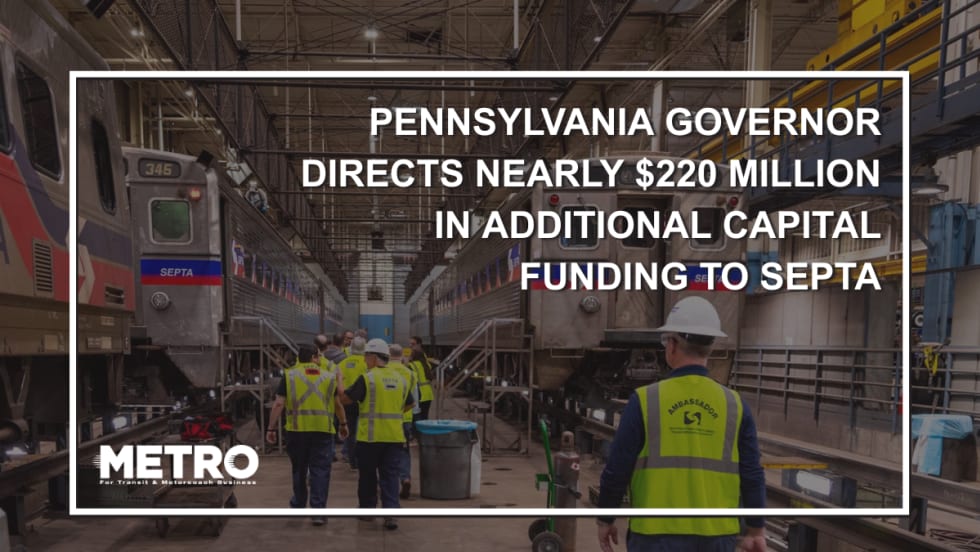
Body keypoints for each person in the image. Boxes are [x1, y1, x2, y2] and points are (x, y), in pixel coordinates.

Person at [596, 296, 766, 552]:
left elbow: (617, 469)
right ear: (710, 347)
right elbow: (752, 474)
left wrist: (606, 518)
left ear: (672, 344)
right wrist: (756, 529)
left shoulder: (644, 401)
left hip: (654, 537)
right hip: (717, 537)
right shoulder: (735, 405)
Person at [266, 345, 348, 526]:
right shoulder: (329, 376)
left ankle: (299, 504)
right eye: (318, 356)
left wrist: (271, 428)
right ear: (313, 358)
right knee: (320, 470)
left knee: (299, 468)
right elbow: (337, 404)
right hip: (323, 431)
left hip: (297, 431)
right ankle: (318, 512)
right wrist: (343, 424)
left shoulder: (289, 376)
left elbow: (279, 404)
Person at [340, 338, 413, 531]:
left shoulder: (368, 378)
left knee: (368, 476)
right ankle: (391, 514)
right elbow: (410, 403)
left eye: (366, 356)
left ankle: (367, 511)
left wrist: (339, 384)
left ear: (373, 357)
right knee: (390, 476)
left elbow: (346, 399)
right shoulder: (401, 379)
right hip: (394, 437)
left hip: (369, 438)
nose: (364, 360)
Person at [387, 344, 420, 499]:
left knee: (387, 453)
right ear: (401, 356)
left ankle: (390, 483)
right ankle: (405, 477)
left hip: (386, 419)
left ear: (388, 355)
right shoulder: (411, 374)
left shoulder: (384, 372)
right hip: (405, 418)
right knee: (404, 450)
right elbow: (413, 400)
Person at [339, 337, 368, 469]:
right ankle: (362, 458)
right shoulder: (367, 363)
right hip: (363, 401)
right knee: (363, 431)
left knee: (350, 431)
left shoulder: (342, 363)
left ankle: (352, 461)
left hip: (346, 401)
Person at [408, 344, 434, 423]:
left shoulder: (411, 365)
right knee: (425, 417)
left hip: (419, 394)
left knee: (417, 417)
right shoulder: (427, 365)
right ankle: (425, 434)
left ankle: (417, 434)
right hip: (429, 394)